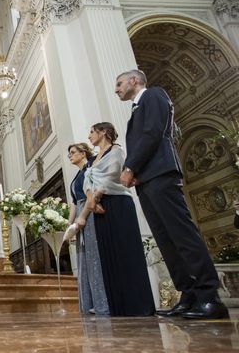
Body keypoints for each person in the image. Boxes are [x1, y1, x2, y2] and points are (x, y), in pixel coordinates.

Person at [116, 69, 229, 320]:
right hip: (146, 180)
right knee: (166, 240)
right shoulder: (136, 108)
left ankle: (209, 296)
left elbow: (153, 133)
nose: (116, 89)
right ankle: (188, 295)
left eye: (119, 83)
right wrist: (136, 173)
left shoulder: (153, 95)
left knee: (182, 235)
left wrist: (130, 166)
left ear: (135, 80)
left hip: (161, 174)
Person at [75, 122, 155, 317]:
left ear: (103, 132)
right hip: (98, 207)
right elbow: (87, 180)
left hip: (116, 203)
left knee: (125, 253)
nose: (89, 136)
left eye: (92, 131)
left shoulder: (116, 151)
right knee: (107, 256)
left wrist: (95, 197)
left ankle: (136, 305)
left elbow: (112, 176)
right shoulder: (93, 159)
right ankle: (117, 305)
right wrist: (91, 198)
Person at [67, 142, 108, 315]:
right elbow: (74, 204)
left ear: (84, 153)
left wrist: (82, 217)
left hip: (90, 213)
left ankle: (101, 304)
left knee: (93, 256)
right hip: (80, 216)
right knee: (83, 259)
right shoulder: (76, 177)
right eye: (69, 153)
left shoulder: (91, 168)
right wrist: (69, 226)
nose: (70, 155)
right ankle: (88, 303)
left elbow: (97, 191)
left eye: (73, 152)